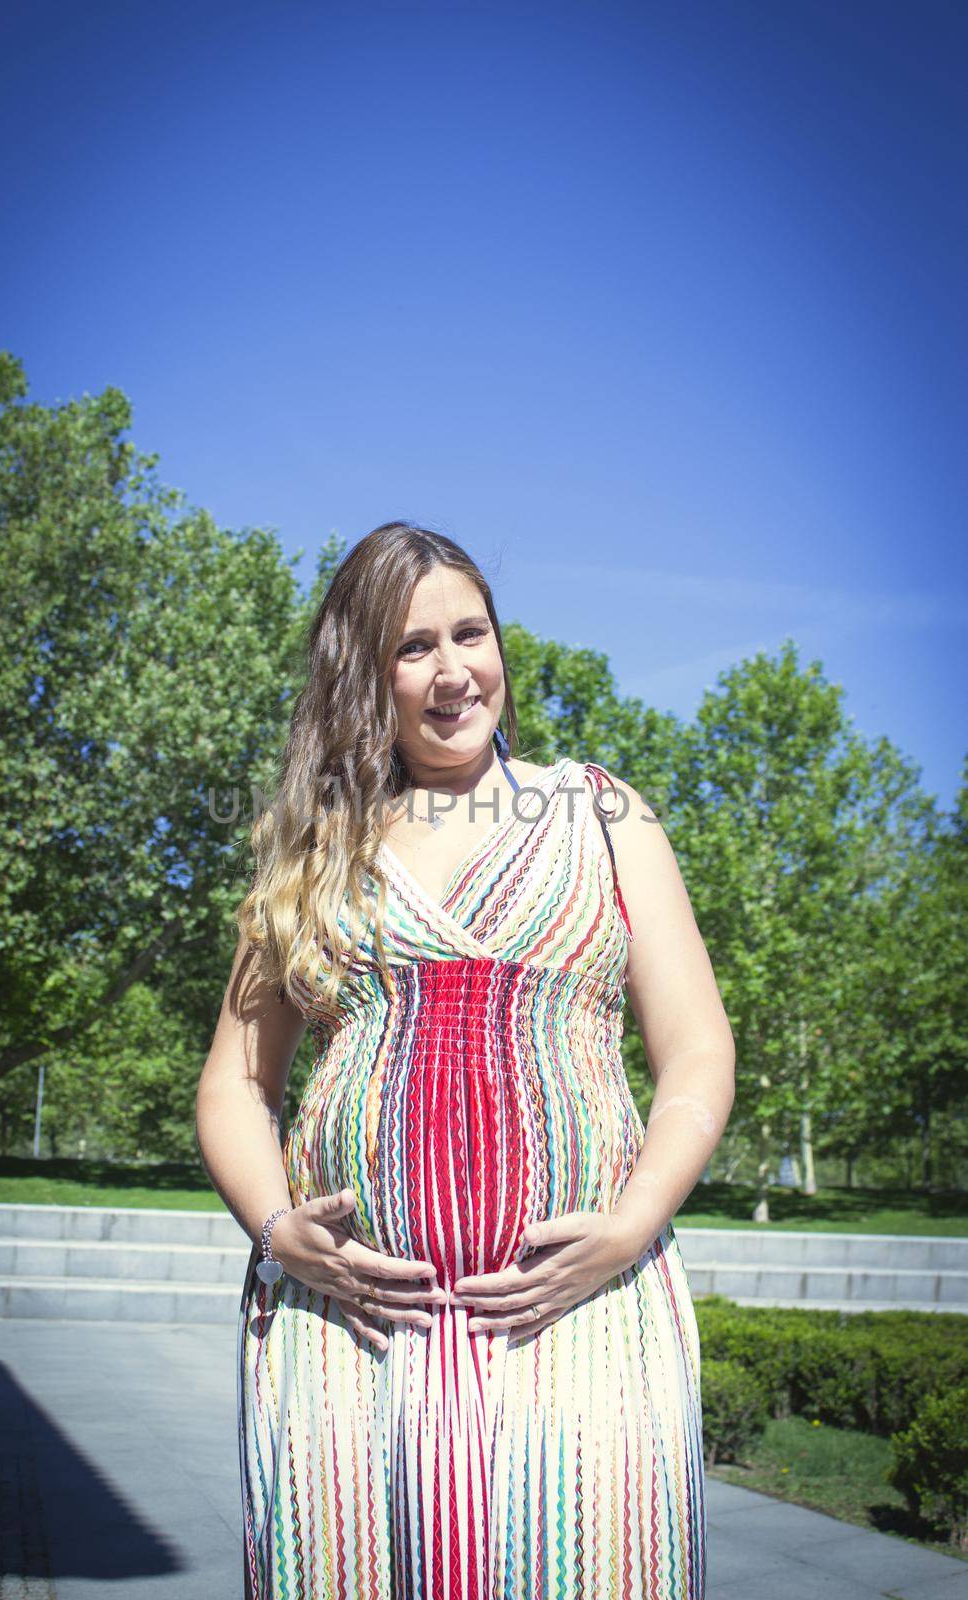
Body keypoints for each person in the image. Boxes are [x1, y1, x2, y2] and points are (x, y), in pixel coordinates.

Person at [195, 521, 736, 1600]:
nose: (453, 672)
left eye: (469, 633)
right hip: (348, 1332)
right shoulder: (317, 846)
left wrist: (629, 1223)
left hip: (576, 1316)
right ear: (363, 674)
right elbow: (234, 1084)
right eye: (412, 647)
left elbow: (695, 1054)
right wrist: (275, 1228)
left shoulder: (601, 815)